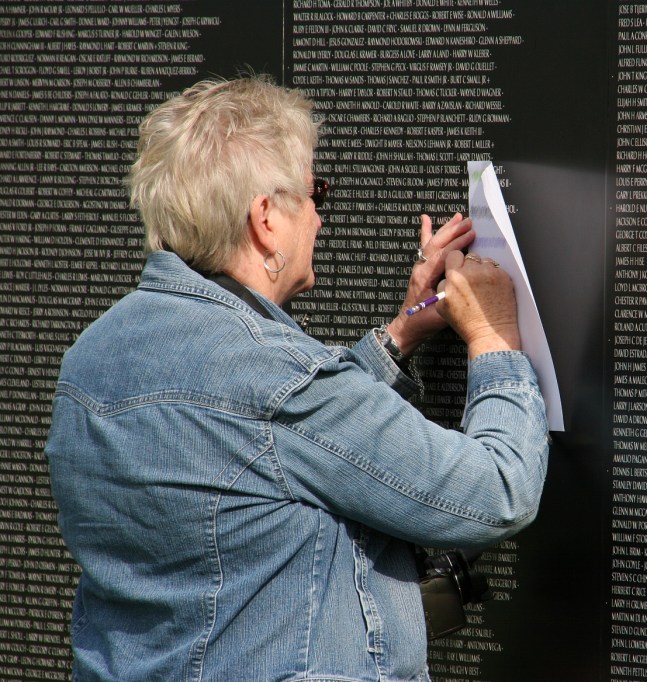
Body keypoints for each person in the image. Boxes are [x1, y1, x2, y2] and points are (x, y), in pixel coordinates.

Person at [44, 75, 549, 681]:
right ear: (265, 221)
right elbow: (497, 491)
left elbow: (256, 450)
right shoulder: (274, 380)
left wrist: (406, 328)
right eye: (315, 194)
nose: (317, 218)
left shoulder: (92, 355)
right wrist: (493, 337)